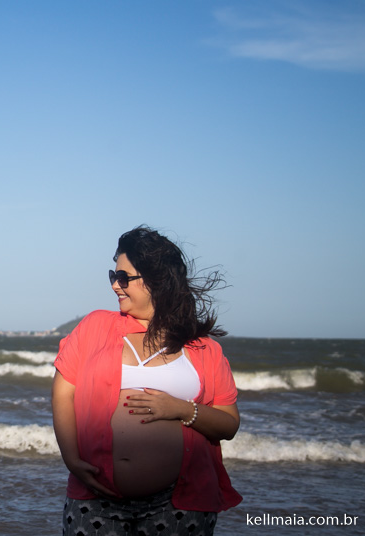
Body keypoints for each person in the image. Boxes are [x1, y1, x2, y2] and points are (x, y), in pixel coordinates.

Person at [52, 226, 241, 535]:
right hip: (97, 498)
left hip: (179, 505)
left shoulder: (204, 349)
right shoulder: (94, 327)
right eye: (113, 276)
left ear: (158, 280)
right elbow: (63, 394)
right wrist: (71, 459)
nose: (115, 286)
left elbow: (229, 424)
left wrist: (180, 409)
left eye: (125, 278)